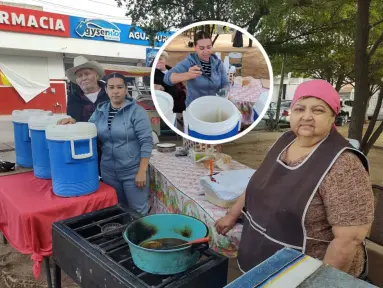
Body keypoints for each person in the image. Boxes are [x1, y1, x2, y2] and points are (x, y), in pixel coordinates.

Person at [215, 79, 374, 279]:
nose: (307, 117)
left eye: (317, 110)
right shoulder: (285, 140)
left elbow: (349, 239)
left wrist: (320, 283)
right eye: (300, 109)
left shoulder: (344, 165)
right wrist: (232, 215)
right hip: (265, 257)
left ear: (333, 115)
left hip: (309, 271)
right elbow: (258, 183)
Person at [59, 73, 153, 215]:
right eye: (111, 87)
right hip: (109, 171)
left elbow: (146, 142)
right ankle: (125, 236)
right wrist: (74, 123)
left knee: (138, 210)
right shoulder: (101, 110)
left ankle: (142, 237)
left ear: (126, 89)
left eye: (120, 87)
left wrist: (141, 171)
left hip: (132, 171)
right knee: (119, 209)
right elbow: (89, 128)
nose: (115, 91)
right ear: (107, 90)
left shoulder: (136, 112)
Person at [163, 31, 230, 107]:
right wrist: (188, 75)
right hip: (194, 107)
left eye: (209, 47)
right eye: (201, 48)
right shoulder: (189, 62)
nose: (206, 51)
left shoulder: (218, 64)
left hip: (214, 105)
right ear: (195, 48)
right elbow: (167, 78)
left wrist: (225, 89)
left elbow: (225, 83)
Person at [65, 56, 109, 122]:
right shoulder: (73, 98)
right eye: (79, 76)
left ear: (96, 75)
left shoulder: (110, 93)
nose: (84, 78)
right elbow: (73, 120)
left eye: (87, 74)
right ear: (76, 80)